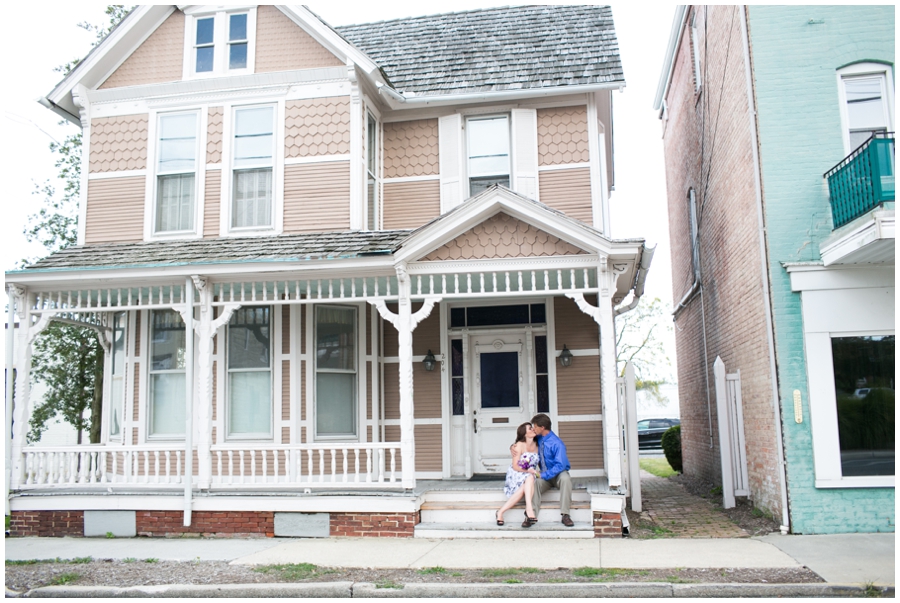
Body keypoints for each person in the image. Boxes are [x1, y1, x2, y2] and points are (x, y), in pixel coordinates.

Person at [530, 413, 574, 527]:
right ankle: (531, 515)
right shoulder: (538, 439)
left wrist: (544, 475)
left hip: (558, 474)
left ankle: (565, 514)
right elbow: (523, 440)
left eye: (535, 426)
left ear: (542, 427)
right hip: (545, 475)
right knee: (535, 483)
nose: (533, 429)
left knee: (565, 479)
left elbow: (560, 465)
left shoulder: (557, 443)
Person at [495, 422, 541, 527]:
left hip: (529, 474)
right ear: (524, 433)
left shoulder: (537, 444)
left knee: (528, 480)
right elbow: (515, 466)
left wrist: (531, 472)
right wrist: (528, 471)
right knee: (529, 478)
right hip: (517, 473)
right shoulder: (519, 445)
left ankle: (501, 512)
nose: (533, 429)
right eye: (530, 428)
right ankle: (529, 509)